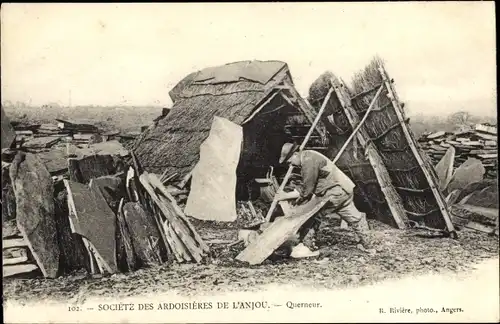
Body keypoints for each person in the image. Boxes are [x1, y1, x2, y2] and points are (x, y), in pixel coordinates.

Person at [275, 143, 374, 258]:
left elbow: (308, 189)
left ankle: (307, 247)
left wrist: (285, 196)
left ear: (296, 154)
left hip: (334, 192)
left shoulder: (308, 161)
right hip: (344, 189)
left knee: (313, 214)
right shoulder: (310, 154)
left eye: (290, 161)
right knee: (354, 217)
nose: (290, 164)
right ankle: (368, 245)